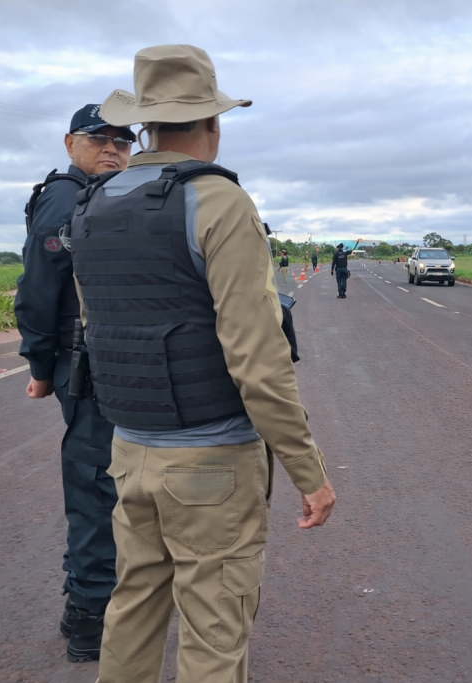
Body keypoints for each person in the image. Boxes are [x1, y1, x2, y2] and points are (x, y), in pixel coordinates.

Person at [70, 44, 336, 683]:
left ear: (144, 125)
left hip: (129, 450)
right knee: (215, 633)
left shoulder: (93, 203)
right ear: (213, 122)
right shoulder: (218, 200)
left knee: (132, 608)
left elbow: (96, 326)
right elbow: (257, 358)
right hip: (211, 462)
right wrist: (308, 471)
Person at [14, 104, 135, 662]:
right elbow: (38, 294)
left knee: (112, 484)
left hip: (110, 364)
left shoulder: (104, 195)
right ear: (70, 144)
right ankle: (89, 615)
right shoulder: (66, 198)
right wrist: (40, 368)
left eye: (122, 141)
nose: (112, 149)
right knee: (95, 486)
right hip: (81, 362)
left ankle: (90, 595)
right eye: (98, 138)